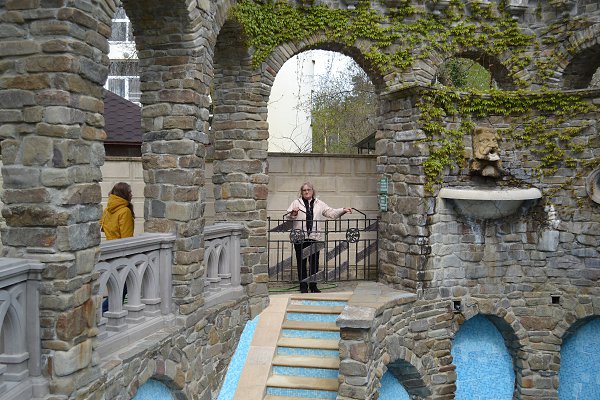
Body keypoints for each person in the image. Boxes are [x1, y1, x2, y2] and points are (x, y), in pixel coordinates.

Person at [286, 182, 352, 293]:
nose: (306, 192)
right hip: (300, 237)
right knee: (301, 263)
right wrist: (293, 213)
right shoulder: (296, 203)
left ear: (312, 191)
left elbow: (331, 213)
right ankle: (303, 286)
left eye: (309, 190)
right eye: (304, 190)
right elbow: (288, 217)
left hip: (314, 237)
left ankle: (313, 286)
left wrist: (343, 210)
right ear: (301, 192)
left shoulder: (319, 203)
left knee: (314, 263)